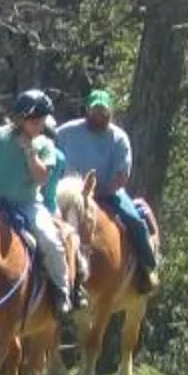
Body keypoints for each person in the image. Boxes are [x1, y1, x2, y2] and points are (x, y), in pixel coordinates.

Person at [0, 88, 76, 310]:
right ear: (20, 118)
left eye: (41, 118)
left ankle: (61, 291)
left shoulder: (45, 145)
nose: (37, 123)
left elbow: (42, 178)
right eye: (32, 119)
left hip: (28, 204)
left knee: (51, 241)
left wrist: (29, 151)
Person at [52, 86, 161, 282]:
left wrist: (102, 190)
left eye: (104, 112)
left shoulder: (119, 138)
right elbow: (52, 156)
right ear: (87, 110)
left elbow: (122, 175)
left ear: (110, 112)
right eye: (95, 111)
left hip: (107, 193)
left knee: (134, 220)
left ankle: (148, 267)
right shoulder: (66, 133)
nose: (99, 116)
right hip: (69, 194)